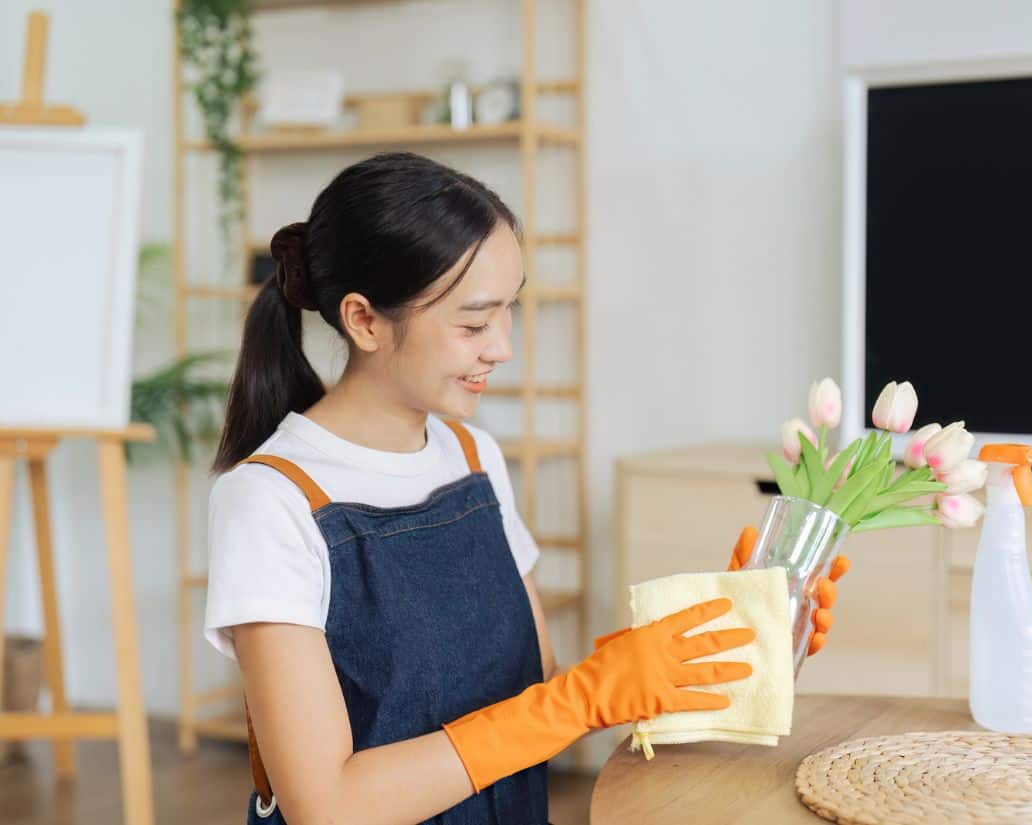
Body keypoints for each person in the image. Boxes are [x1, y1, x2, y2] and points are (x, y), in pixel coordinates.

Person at [203, 151, 843, 825]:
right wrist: (585, 696)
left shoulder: (471, 456)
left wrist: (708, 643)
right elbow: (327, 804)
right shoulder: (270, 501)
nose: (502, 346)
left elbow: (533, 698)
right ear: (364, 320)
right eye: (474, 322)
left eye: (510, 310)